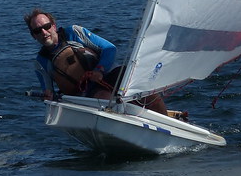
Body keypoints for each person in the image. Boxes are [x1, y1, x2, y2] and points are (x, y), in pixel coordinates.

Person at [24, 8, 170, 115]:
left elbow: (110, 49)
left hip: (110, 74)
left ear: (53, 26)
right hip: (89, 93)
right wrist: (47, 95)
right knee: (105, 101)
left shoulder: (74, 32)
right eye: (37, 31)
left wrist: (99, 70)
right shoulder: (40, 62)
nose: (44, 32)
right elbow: (47, 90)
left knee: (141, 87)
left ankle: (165, 120)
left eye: (46, 27)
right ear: (33, 36)